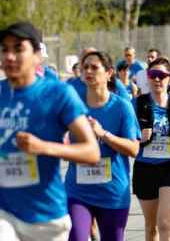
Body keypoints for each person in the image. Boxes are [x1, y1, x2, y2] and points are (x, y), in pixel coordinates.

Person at [0, 21, 100, 241]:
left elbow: (92, 152)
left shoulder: (58, 93)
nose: (9, 56)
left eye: (18, 49)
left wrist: (42, 147)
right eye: (4, 49)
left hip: (46, 219)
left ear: (37, 55)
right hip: (4, 212)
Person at [65, 51, 141, 241]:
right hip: (78, 190)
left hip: (112, 192)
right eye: (85, 67)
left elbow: (133, 149)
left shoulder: (122, 106)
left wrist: (103, 134)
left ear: (109, 73)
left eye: (94, 67)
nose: (88, 71)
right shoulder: (73, 106)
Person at [133, 57, 170, 241]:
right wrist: (138, 137)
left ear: (169, 78)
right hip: (145, 167)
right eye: (153, 75)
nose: (157, 79)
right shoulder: (138, 103)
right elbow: (127, 132)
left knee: (165, 222)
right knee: (151, 227)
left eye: (162, 75)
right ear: (148, 77)